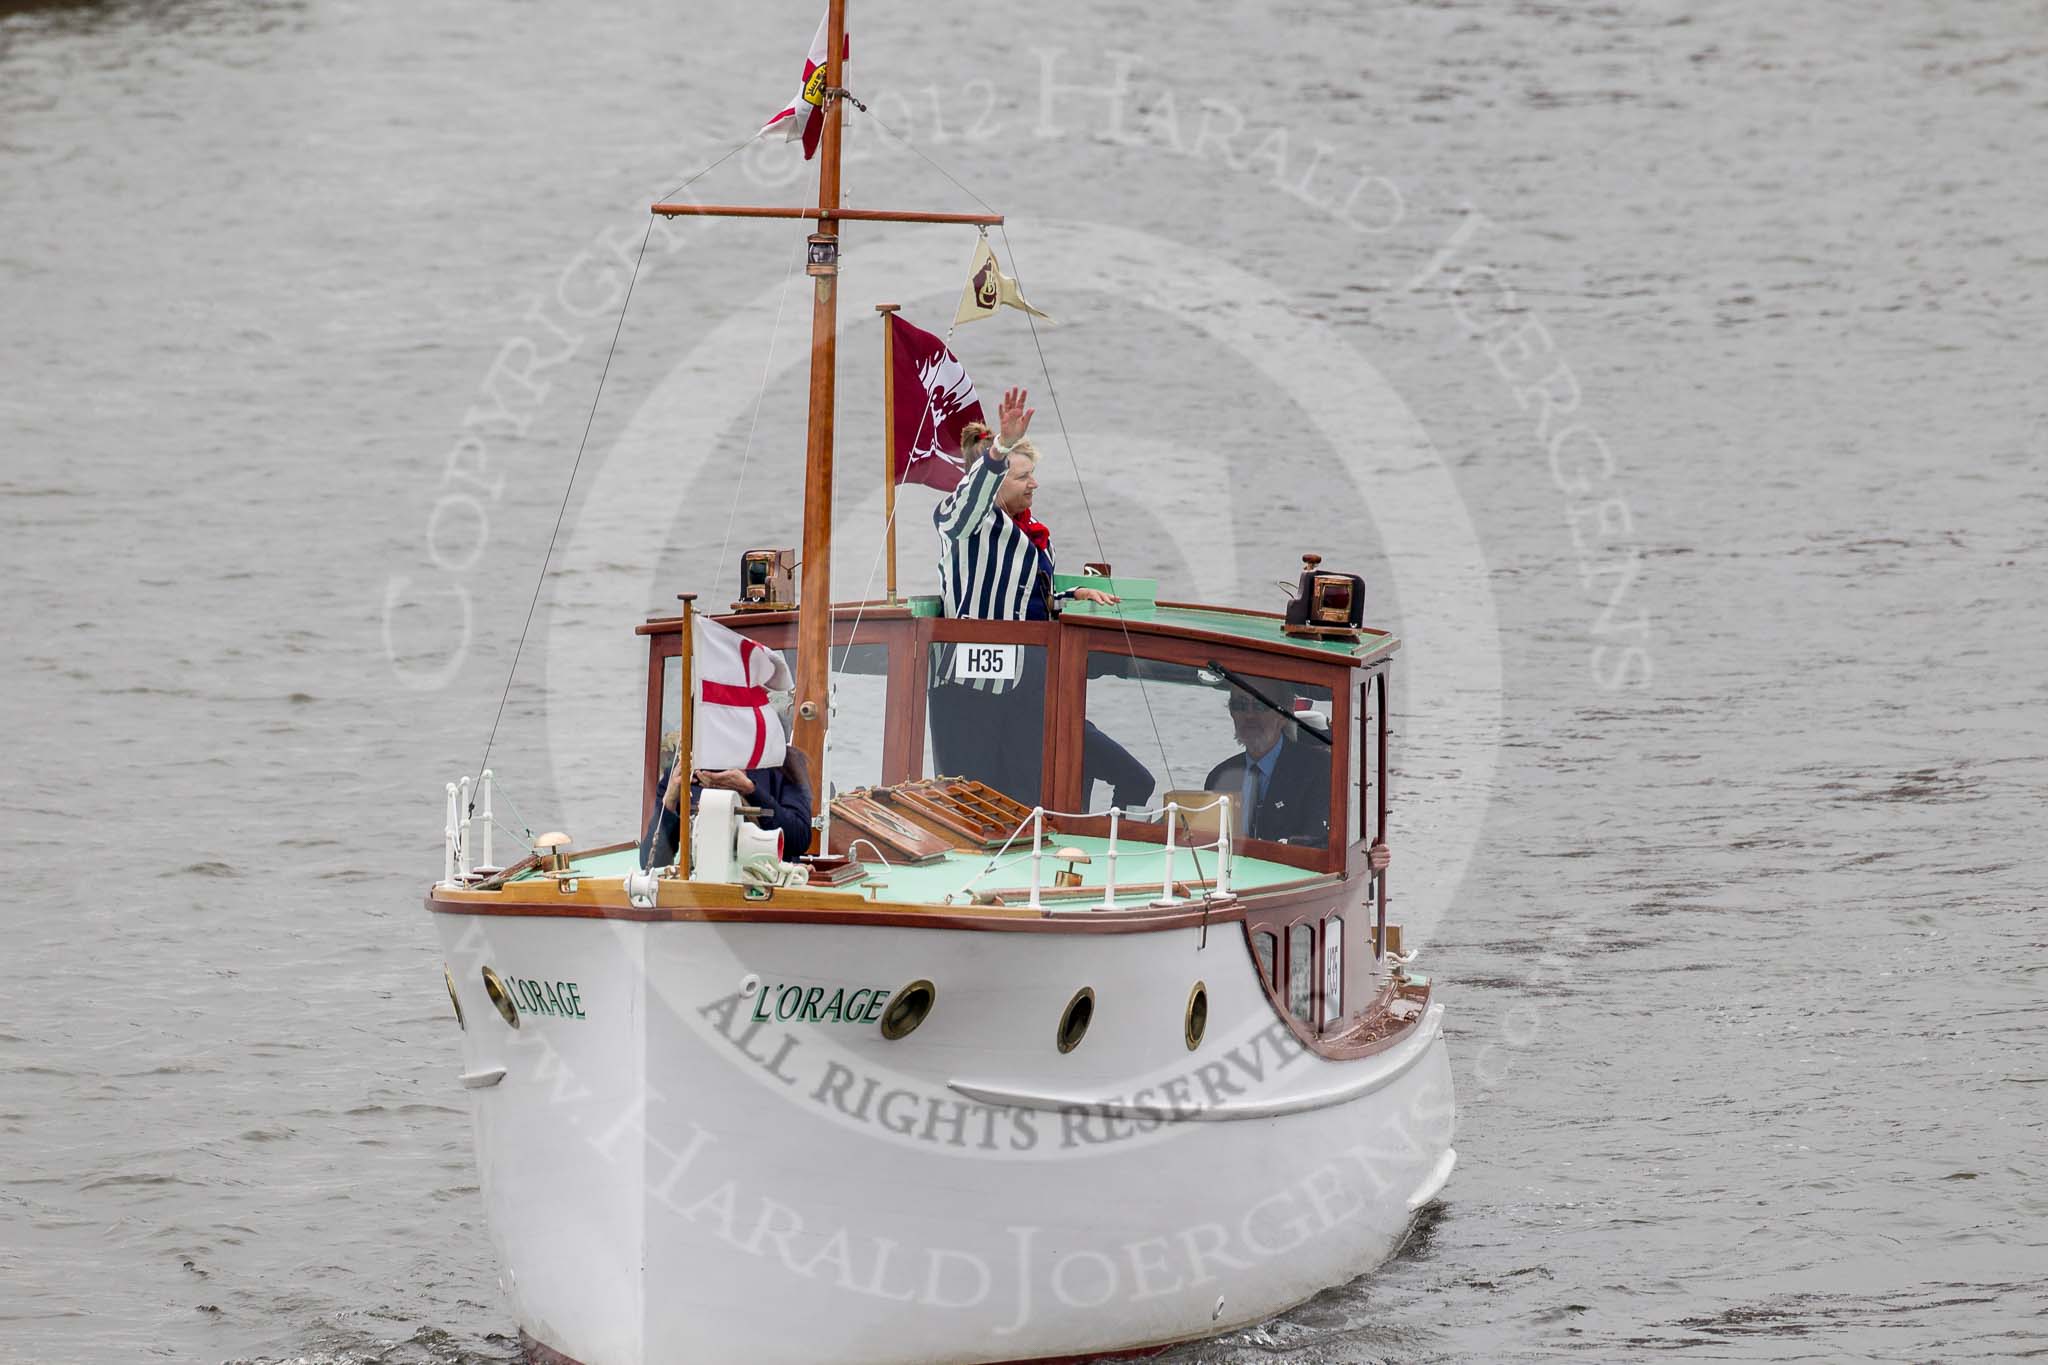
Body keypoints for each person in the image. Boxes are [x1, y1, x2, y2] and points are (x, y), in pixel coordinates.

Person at [928, 388, 1153, 810]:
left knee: (1026, 797)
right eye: (1023, 476)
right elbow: (967, 505)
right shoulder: (962, 521)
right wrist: (998, 450)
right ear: (995, 482)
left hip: (1027, 688)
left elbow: (1029, 599)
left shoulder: (1032, 533)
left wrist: (1074, 593)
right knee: (975, 802)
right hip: (970, 691)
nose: (1034, 483)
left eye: (1032, 474)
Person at [1202, 679, 1333, 847]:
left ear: (1284, 713)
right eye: (1240, 705)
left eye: (1260, 705)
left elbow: (1318, 843)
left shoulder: (1319, 769)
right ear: (1232, 713)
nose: (1249, 715)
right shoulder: (1219, 776)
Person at [639, 746, 813, 870]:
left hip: (770, 887)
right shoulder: (682, 772)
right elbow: (652, 864)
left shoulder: (783, 763)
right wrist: (669, 801)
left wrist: (751, 791)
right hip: (701, 892)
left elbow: (799, 839)